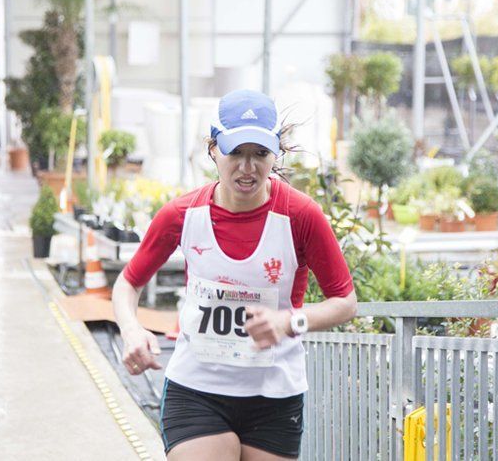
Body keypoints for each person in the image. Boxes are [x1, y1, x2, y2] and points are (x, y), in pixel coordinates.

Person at [112, 89, 357, 460]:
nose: (247, 167)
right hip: (197, 388)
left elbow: (345, 302)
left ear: (276, 152)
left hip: (274, 394)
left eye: (259, 154)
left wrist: (290, 321)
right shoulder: (181, 214)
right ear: (213, 150)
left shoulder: (301, 215)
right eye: (235, 152)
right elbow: (128, 282)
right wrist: (131, 329)